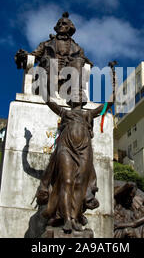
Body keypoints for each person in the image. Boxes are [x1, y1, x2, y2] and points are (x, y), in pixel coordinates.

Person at [36, 90, 113, 234]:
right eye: (74, 94)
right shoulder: (65, 113)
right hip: (66, 147)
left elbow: (108, 105)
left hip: (84, 149)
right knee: (67, 181)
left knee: (80, 184)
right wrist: (42, 84)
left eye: (80, 94)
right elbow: (48, 101)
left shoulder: (88, 114)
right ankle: (67, 219)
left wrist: (114, 85)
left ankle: (74, 217)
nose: (77, 95)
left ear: (83, 99)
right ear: (70, 100)